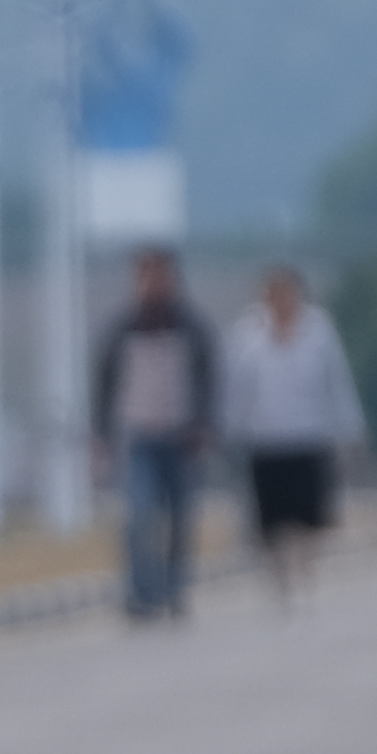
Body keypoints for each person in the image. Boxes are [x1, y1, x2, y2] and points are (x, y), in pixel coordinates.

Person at [218, 264, 362, 608]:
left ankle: (305, 578)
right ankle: (280, 583)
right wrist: (228, 430)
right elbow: (234, 389)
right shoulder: (246, 334)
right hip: (264, 439)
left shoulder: (319, 331)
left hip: (308, 435)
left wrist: (349, 430)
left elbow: (336, 383)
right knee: (271, 523)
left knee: (307, 519)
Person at [89, 246, 216, 622]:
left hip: (182, 436)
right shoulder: (121, 329)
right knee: (138, 514)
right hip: (139, 435)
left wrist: (205, 425)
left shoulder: (191, 328)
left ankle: (174, 588)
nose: (152, 284)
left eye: (159, 275)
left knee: (179, 517)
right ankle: (140, 592)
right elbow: (104, 386)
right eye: (145, 276)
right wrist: (101, 435)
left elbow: (207, 382)